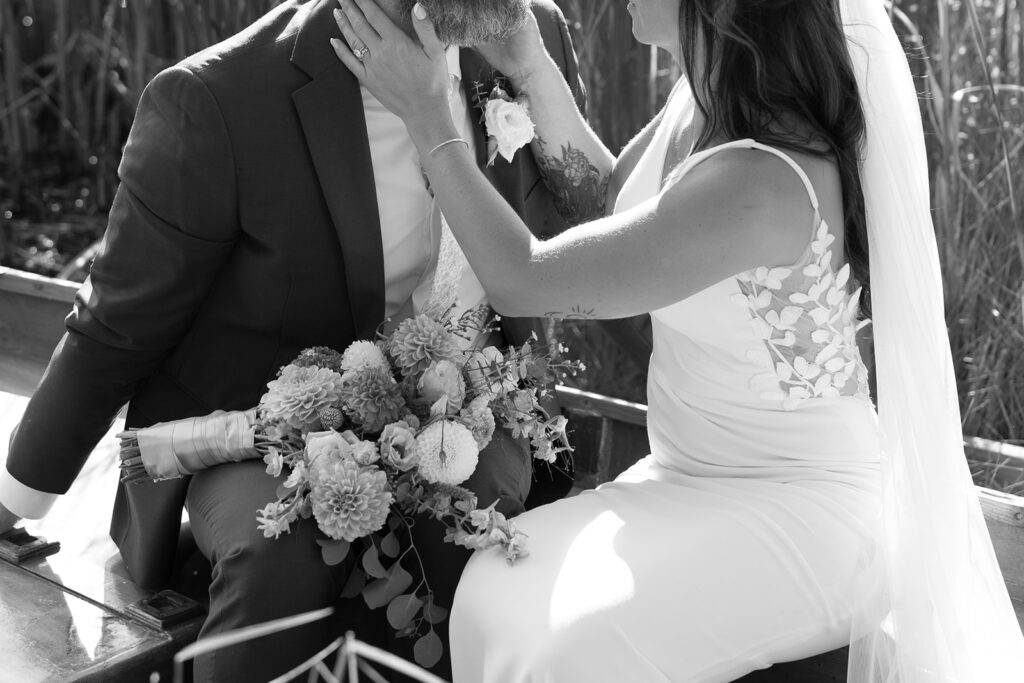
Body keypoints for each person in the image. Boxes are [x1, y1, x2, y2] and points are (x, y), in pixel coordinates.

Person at [333, 0, 1024, 680]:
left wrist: (429, 119)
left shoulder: (758, 182)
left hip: (799, 508)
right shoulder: (704, 101)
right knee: (497, 586)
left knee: (559, 648)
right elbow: (618, 213)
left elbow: (523, 278)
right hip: (689, 475)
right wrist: (531, 65)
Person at [0, 0, 586, 679]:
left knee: (467, 521)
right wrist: (18, 499)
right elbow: (118, 325)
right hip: (259, 422)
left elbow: (592, 224)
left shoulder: (515, 36)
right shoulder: (218, 101)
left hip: (469, 406)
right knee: (279, 552)